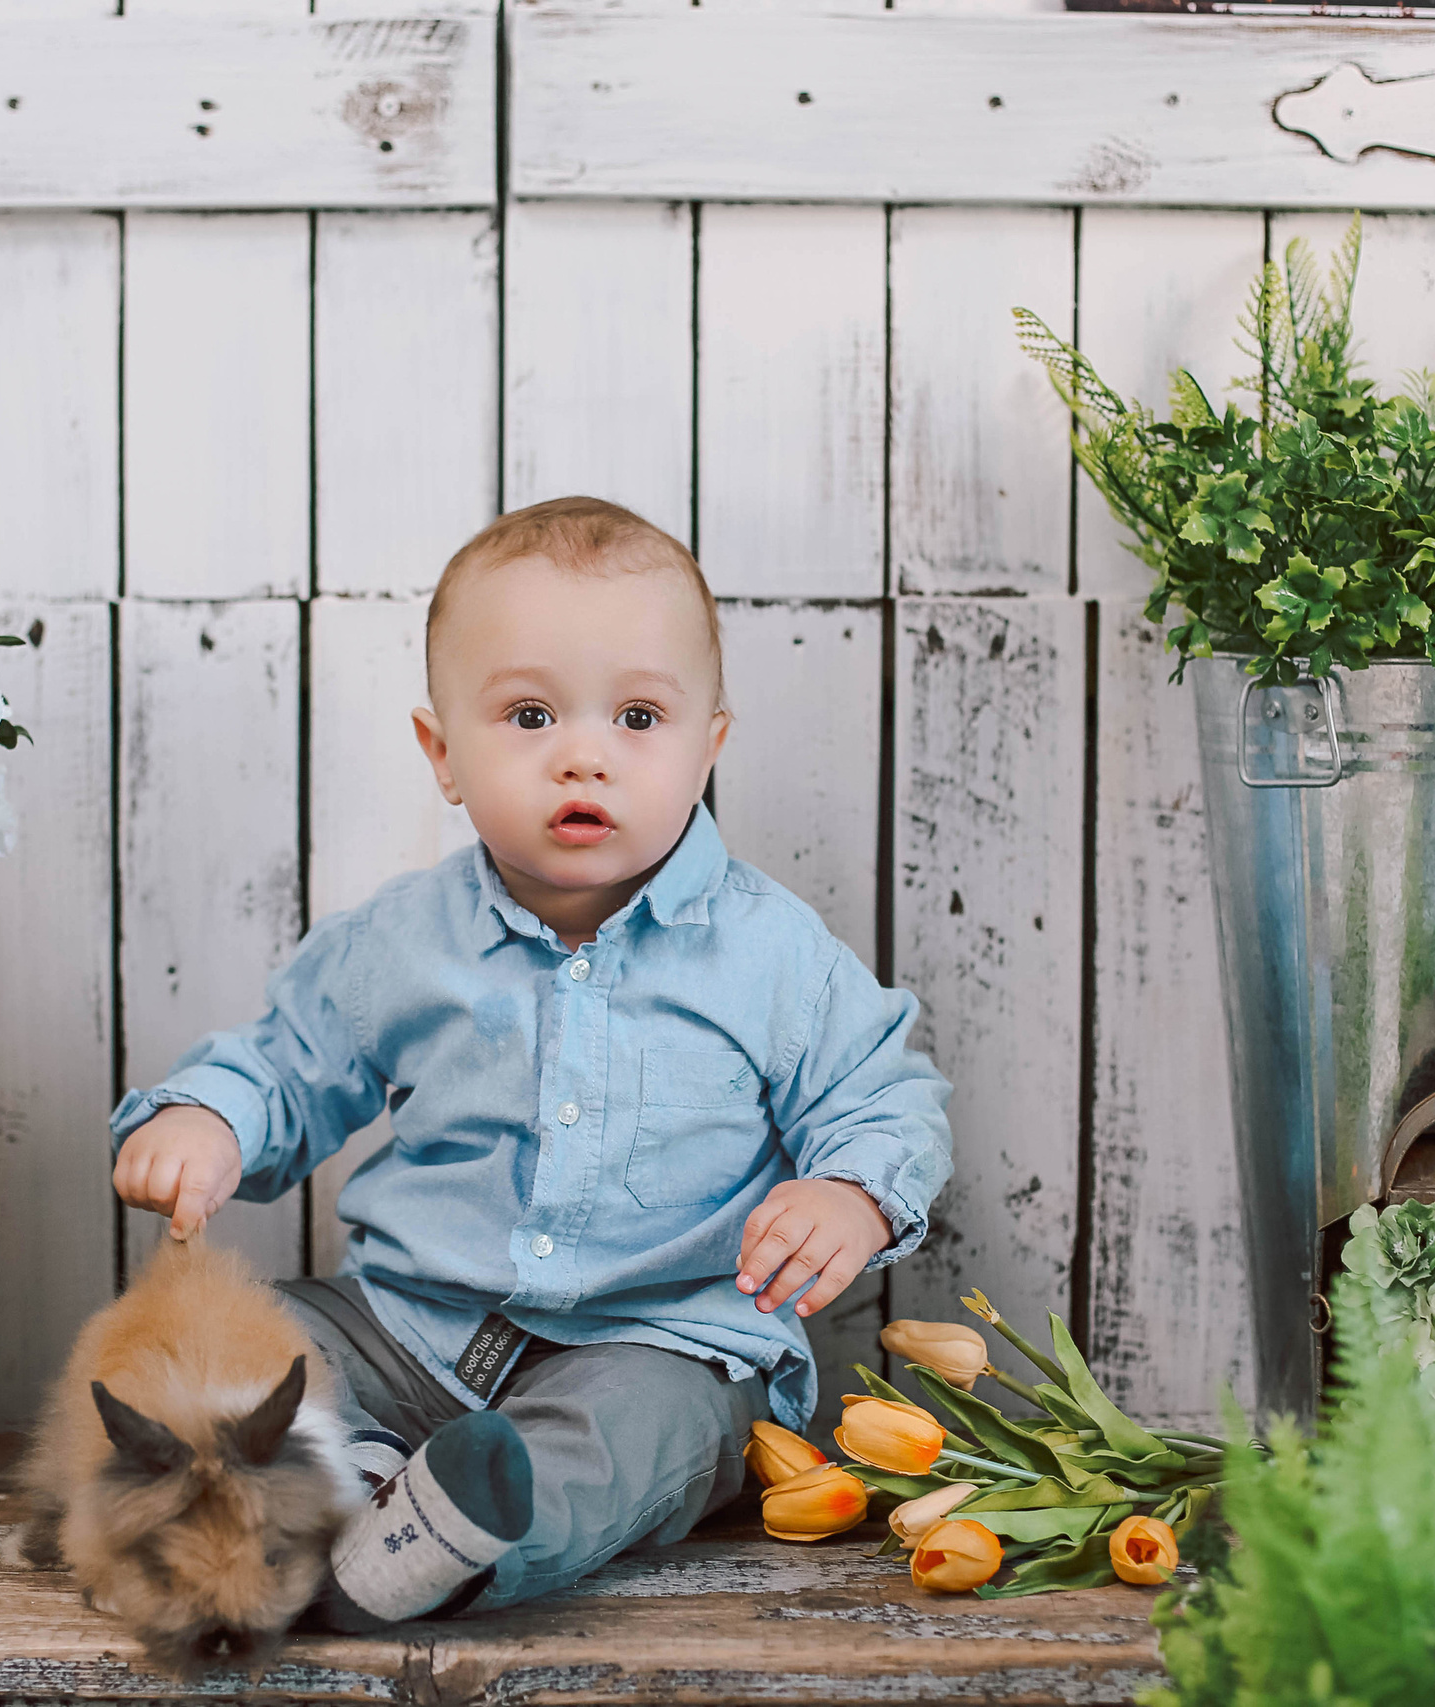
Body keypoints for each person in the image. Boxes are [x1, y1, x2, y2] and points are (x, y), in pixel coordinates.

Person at [107, 495, 953, 1624]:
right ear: (443, 753)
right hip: (409, 1327)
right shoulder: (401, 942)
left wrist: (850, 1191)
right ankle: (352, 1477)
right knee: (243, 1330)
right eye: (530, 715)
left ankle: (457, 1536)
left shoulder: (770, 953)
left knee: (641, 1431)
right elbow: (284, 1062)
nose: (583, 756)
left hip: (655, 1339)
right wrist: (210, 1120)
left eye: (639, 716)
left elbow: (882, 1095)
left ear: (709, 745)